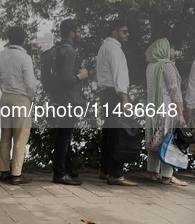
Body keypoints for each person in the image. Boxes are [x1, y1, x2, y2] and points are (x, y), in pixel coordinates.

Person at [0, 26, 36, 185]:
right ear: (23, 39)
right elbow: (31, 84)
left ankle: (4, 171)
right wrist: (30, 98)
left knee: (5, 135)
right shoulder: (25, 58)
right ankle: (17, 174)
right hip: (21, 98)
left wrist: (6, 90)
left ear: (9, 39)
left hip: (5, 98)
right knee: (20, 137)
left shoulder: (1, 56)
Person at [96, 20, 136, 186]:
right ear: (114, 32)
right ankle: (116, 174)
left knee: (108, 133)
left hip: (106, 93)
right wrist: (125, 101)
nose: (127, 34)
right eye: (124, 31)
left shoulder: (104, 47)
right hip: (115, 94)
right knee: (118, 134)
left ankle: (105, 170)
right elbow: (119, 76)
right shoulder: (114, 49)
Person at [50, 20, 88, 186]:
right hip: (68, 100)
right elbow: (66, 79)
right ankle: (59, 174)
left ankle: (67, 169)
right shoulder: (69, 51)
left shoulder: (57, 49)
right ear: (71, 33)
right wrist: (81, 75)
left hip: (57, 98)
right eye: (78, 31)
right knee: (64, 137)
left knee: (62, 135)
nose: (80, 35)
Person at [144, 38, 187, 186]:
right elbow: (174, 91)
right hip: (167, 111)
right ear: (165, 49)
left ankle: (153, 173)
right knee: (168, 142)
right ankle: (167, 176)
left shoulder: (150, 65)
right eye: (172, 48)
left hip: (153, 111)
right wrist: (181, 113)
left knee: (155, 141)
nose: (173, 51)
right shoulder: (166, 65)